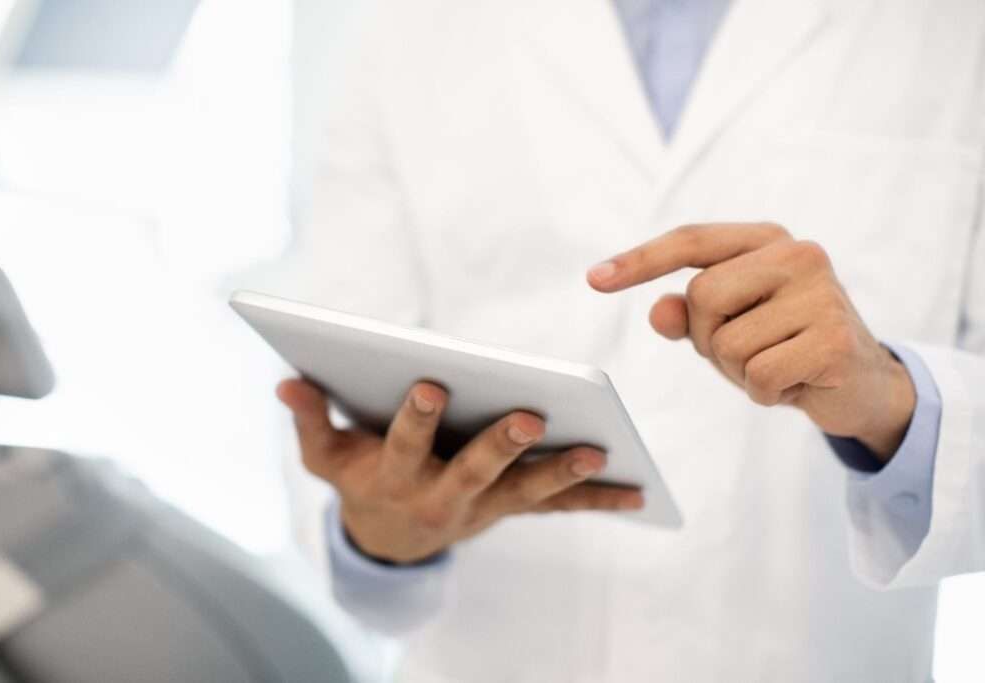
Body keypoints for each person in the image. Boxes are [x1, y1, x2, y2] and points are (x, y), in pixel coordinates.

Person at [276, 0, 985, 680]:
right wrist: (381, 538)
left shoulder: (954, 29)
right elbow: (344, 372)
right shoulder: (408, 25)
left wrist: (894, 401)